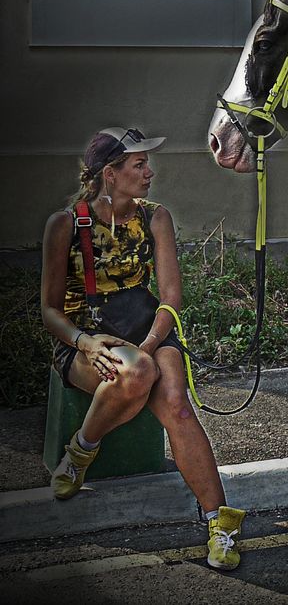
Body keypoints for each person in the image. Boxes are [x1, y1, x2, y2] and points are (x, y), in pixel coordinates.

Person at [40, 127, 245, 571]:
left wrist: (151, 343)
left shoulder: (156, 218)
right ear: (110, 174)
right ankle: (81, 450)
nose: (150, 172)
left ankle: (219, 524)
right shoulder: (66, 224)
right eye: (139, 164)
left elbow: (170, 298)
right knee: (135, 372)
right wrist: (84, 343)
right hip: (86, 337)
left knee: (177, 405)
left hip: (148, 328)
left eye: (147, 164)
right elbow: (49, 311)